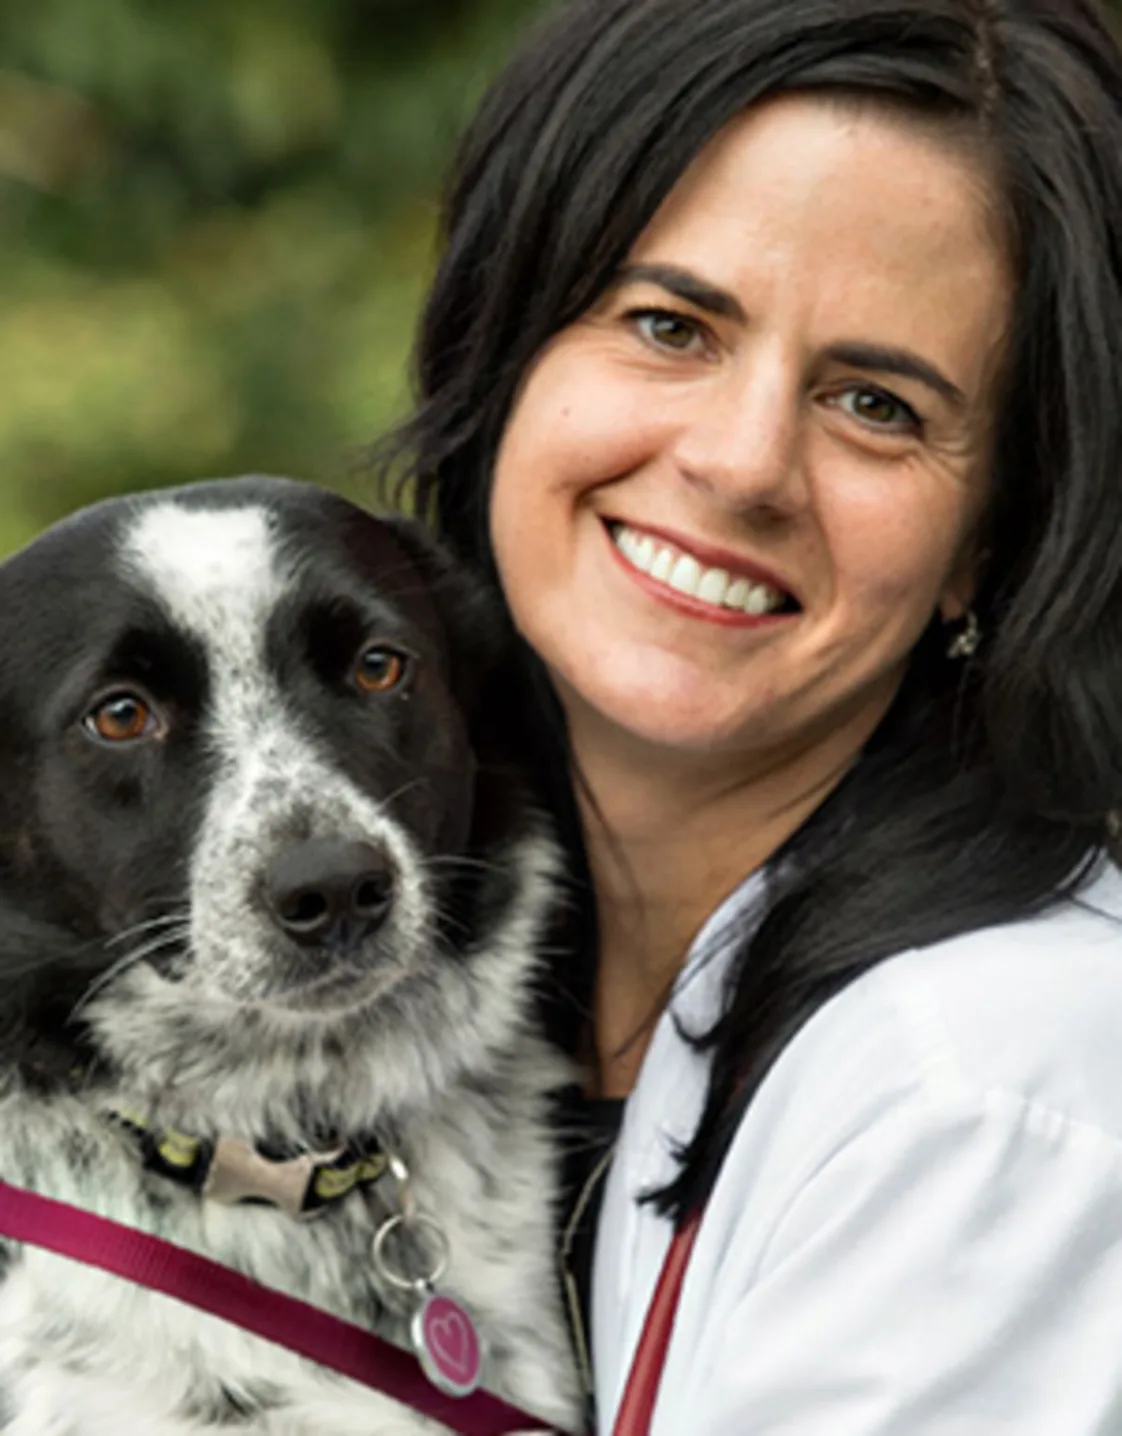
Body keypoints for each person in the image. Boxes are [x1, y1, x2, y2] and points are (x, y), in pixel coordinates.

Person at [379, 0, 1122, 1429]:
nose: (741, 463)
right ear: (503, 350)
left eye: (876, 405)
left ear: (988, 539)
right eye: (669, 325)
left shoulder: (987, 1088)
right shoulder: (401, 995)